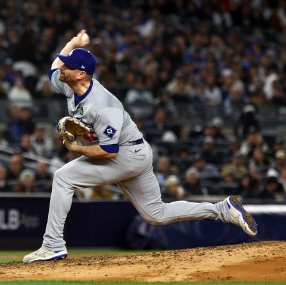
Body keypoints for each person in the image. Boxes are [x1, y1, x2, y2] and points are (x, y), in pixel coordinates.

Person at [23, 30, 258, 263]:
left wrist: (77, 149)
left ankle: (52, 244)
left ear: (82, 74)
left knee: (63, 177)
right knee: (157, 214)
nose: (62, 69)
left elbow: (108, 151)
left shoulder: (103, 106)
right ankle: (222, 209)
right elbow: (53, 69)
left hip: (125, 155)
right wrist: (73, 43)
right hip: (136, 152)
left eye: (68, 66)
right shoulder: (70, 85)